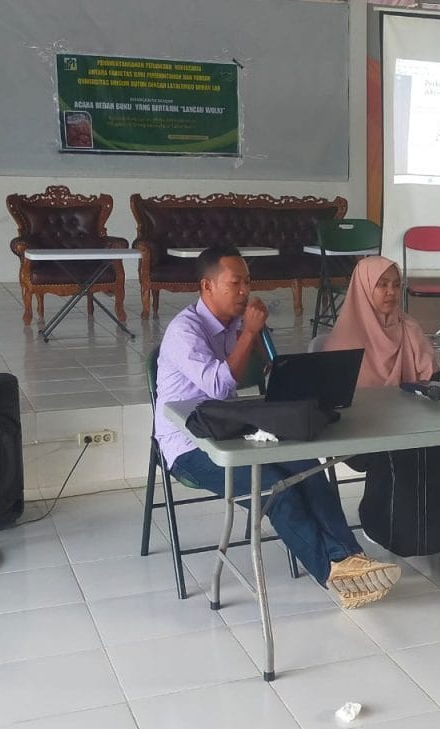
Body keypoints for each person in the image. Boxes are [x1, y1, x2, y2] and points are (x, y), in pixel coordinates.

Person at [154, 246, 401, 609]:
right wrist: (249, 334)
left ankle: (352, 557)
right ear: (207, 287)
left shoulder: (236, 322)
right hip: (188, 445)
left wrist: (265, 350)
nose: (245, 291)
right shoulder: (184, 331)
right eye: (235, 283)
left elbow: (268, 370)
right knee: (273, 488)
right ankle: (333, 571)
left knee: (305, 466)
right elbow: (219, 385)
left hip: (229, 428)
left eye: (248, 282)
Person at [323, 255, 440, 557]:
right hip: (362, 431)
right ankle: (390, 530)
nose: (391, 292)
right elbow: (338, 401)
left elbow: (428, 374)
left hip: (411, 421)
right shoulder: (344, 338)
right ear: (363, 287)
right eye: (382, 285)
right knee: (405, 447)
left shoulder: (408, 327)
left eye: (396, 285)